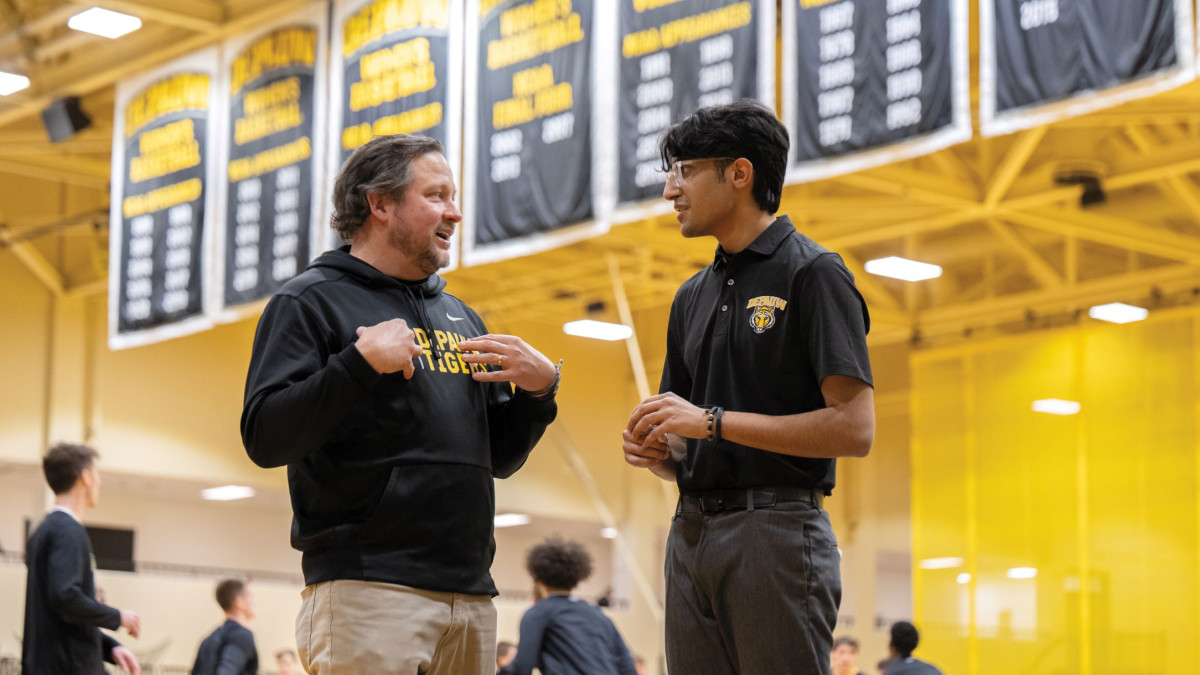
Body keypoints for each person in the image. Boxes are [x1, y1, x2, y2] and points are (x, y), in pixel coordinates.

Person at [241, 133, 560, 674]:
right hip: (369, 587)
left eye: (454, 196)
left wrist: (538, 394)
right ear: (380, 204)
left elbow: (498, 458)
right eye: (436, 195)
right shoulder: (308, 302)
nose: (454, 213)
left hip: (470, 592)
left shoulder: (461, 316)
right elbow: (265, 437)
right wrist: (357, 365)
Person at [623, 100, 875, 674]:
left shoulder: (814, 273)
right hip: (690, 531)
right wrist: (661, 453)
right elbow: (687, 436)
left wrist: (710, 422)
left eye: (683, 170)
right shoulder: (690, 295)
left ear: (739, 173)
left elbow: (854, 429)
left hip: (778, 533)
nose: (670, 190)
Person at [21, 442, 141, 675]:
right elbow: (65, 597)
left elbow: (62, 617)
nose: (99, 482)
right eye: (97, 474)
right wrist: (118, 617)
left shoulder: (46, 529)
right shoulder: (67, 531)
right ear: (85, 478)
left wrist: (109, 648)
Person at [500, 539, 636, 675]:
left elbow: (522, 667)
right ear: (575, 581)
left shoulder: (538, 613)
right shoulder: (599, 615)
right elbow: (627, 666)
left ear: (539, 582)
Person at [190, 579, 257, 674]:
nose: (254, 601)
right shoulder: (242, 636)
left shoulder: (208, 640)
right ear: (240, 602)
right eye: (250, 596)